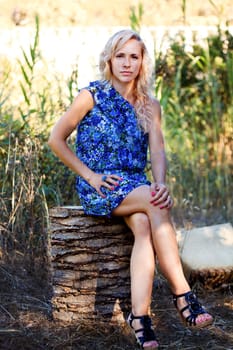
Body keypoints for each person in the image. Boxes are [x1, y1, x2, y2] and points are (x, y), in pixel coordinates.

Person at [48, 29, 213, 349]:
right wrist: (91, 176)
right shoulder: (91, 95)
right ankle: (184, 295)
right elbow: (56, 139)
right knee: (155, 203)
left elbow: (158, 151)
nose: (127, 63)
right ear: (109, 59)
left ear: (142, 62)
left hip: (135, 183)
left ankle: (140, 317)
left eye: (134, 56)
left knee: (143, 225)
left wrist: (161, 182)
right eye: (120, 55)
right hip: (101, 184)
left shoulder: (150, 105)